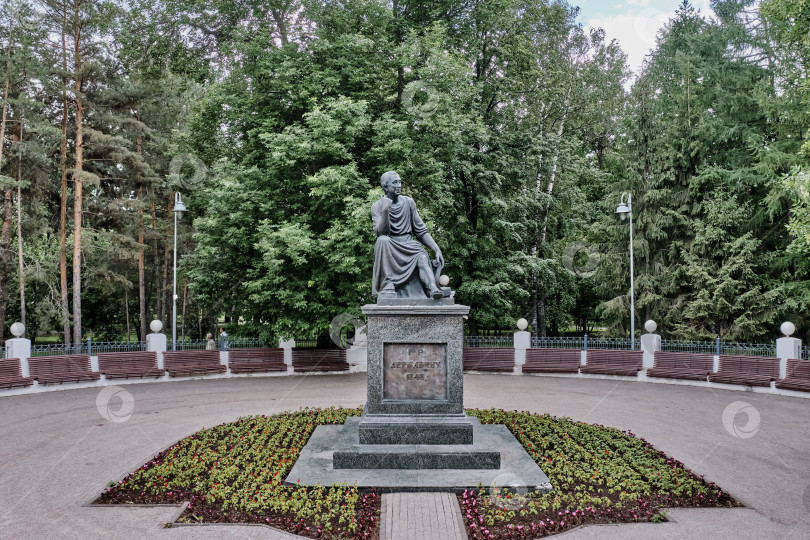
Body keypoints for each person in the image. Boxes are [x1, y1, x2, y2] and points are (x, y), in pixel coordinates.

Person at [371, 171, 444, 299]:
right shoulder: (377, 206)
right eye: (395, 182)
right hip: (391, 245)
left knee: (421, 257)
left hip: (409, 243)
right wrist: (385, 210)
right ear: (385, 186)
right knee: (382, 241)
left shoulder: (408, 202)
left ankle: (432, 288)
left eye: (399, 182)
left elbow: (421, 230)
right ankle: (389, 283)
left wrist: (436, 249)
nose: (399, 185)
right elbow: (382, 232)